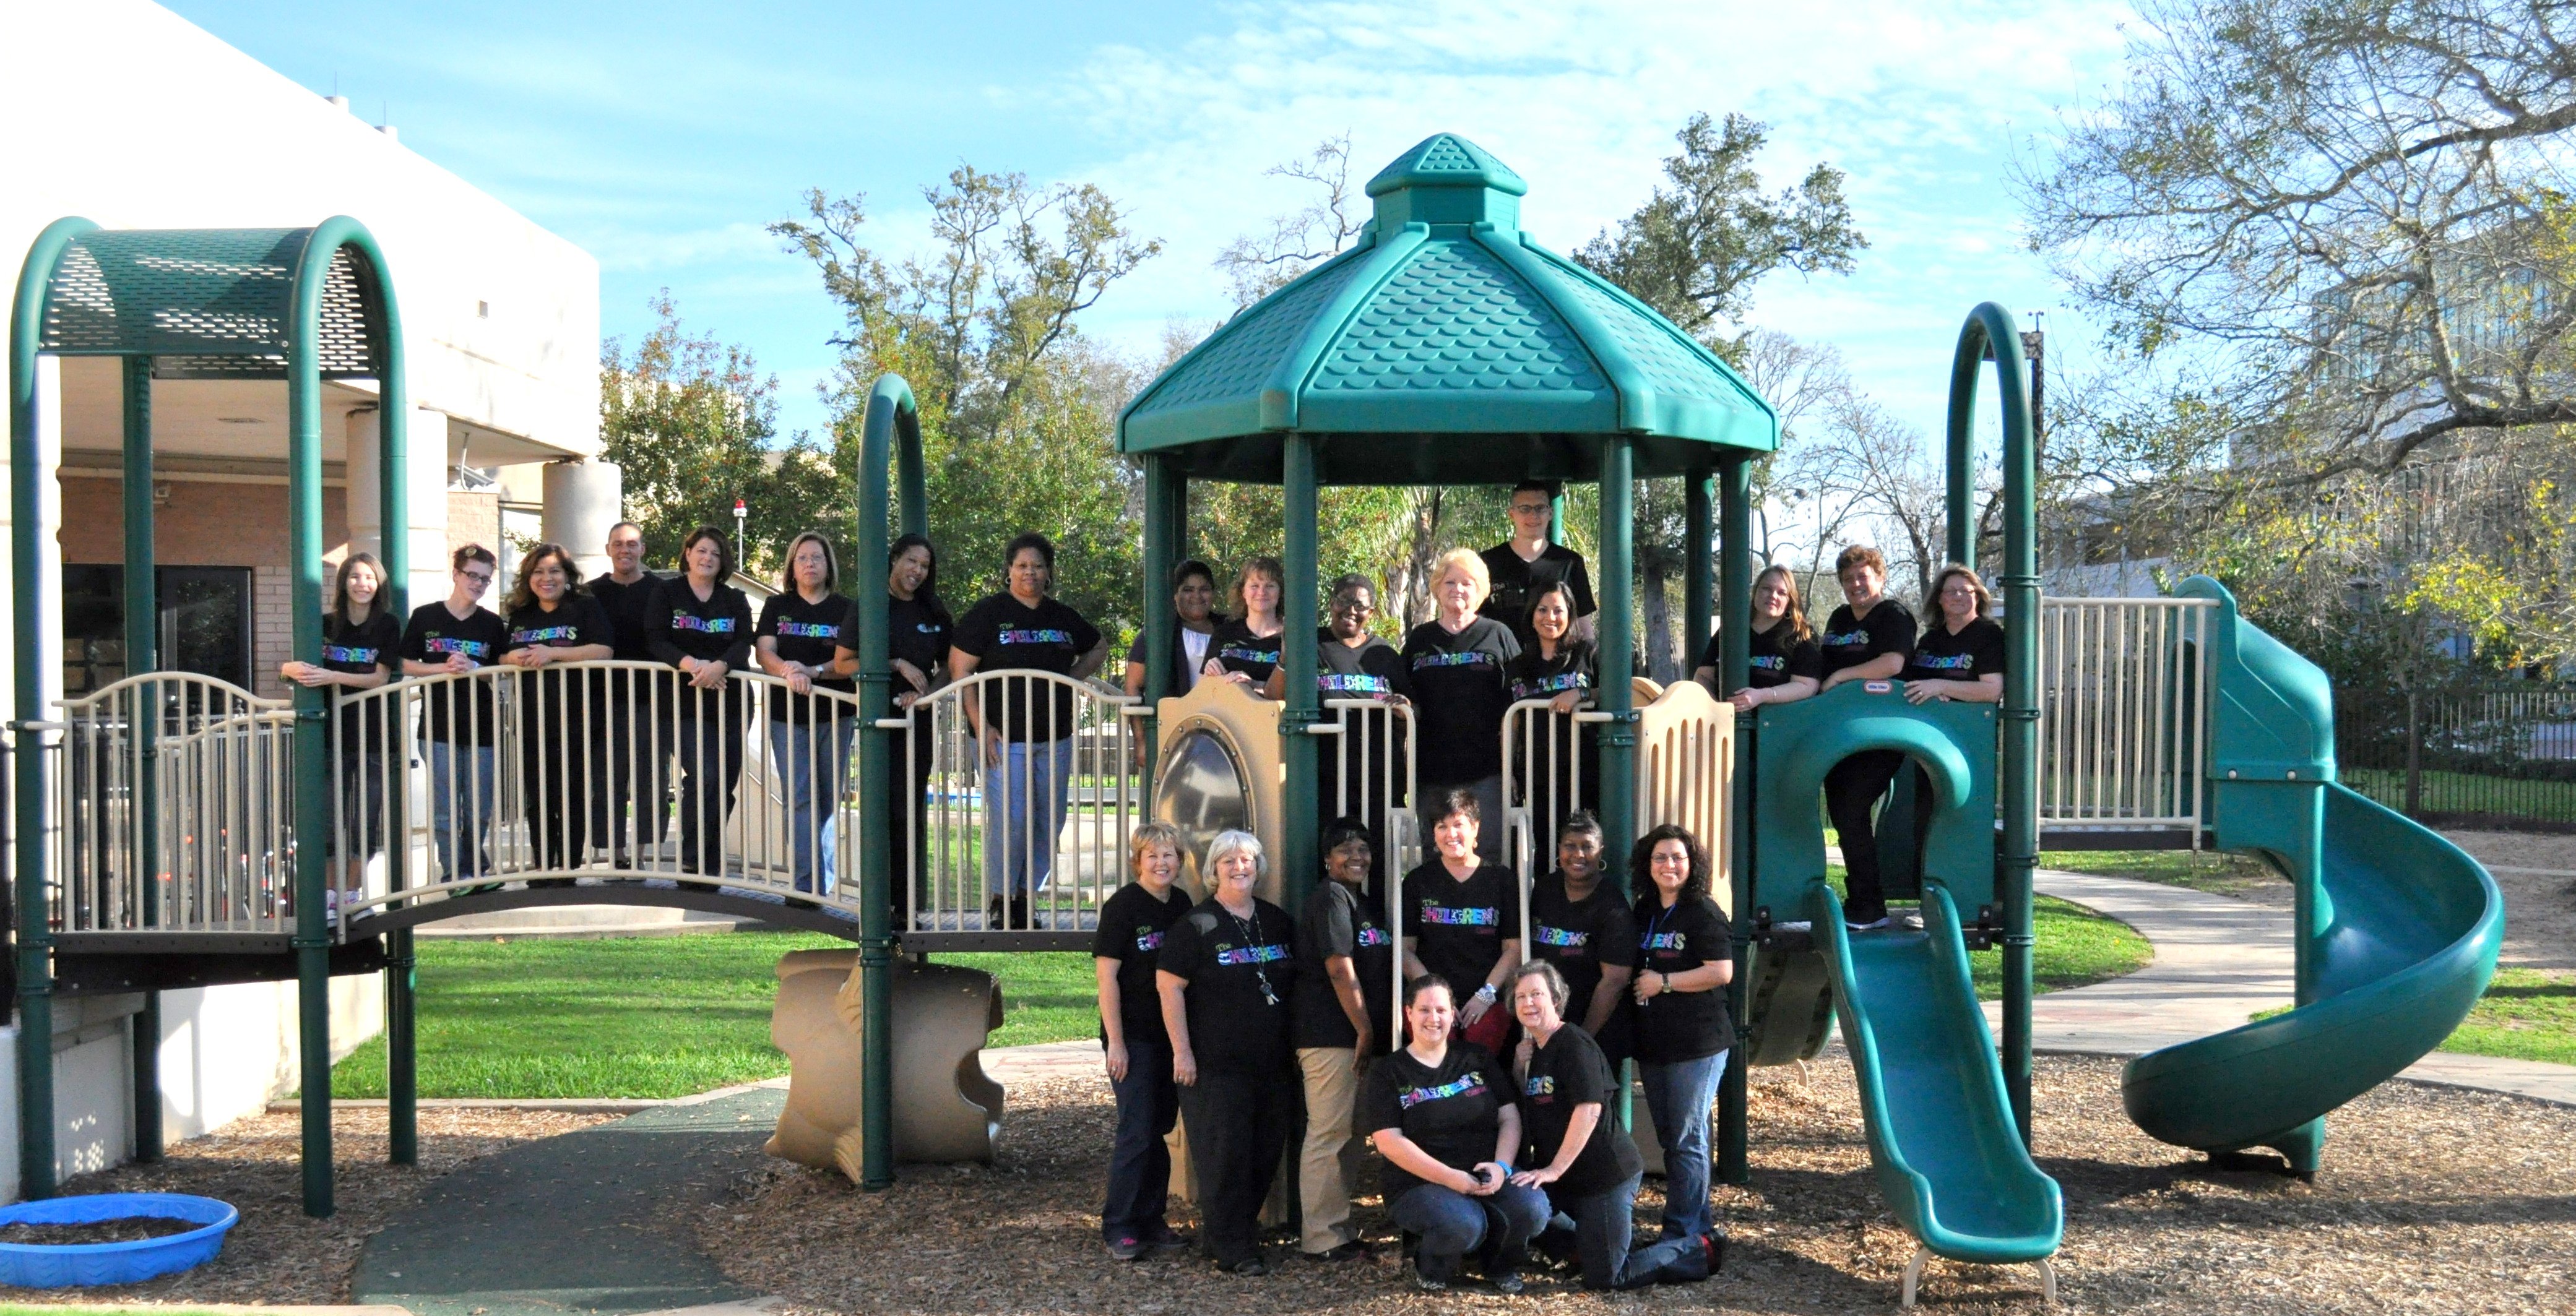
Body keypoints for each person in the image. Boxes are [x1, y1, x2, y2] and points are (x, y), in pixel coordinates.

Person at [1507, 961, 1718, 1289]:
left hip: (1604, 1176)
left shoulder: (1574, 1045)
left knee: (1607, 1278)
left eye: (1537, 994)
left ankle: (1697, 1249)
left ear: (1556, 1000)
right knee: (1520, 1202)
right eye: (1521, 997)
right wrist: (1519, 1068)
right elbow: (1537, 1100)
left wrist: (1553, 1170)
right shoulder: (1538, 1049)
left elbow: (1589, 1110)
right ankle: (1583, 1248)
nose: (1528, 1003)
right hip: (1569, 1177)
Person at [1156, 830, 1299, 1275]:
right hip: (1215, 1065)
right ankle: (1232, 1248)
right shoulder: (1196, 926)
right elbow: (1169, 988)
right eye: (1229, 861)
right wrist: (1182, 1052)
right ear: (1213, 869)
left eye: (1247, 860)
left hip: (1273, 1062)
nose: (1239, 868)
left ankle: (1231, 1234)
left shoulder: (1276, 921)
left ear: (1259, 867)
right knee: (1226, 1155)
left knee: (1265, 1151)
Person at [948, 533, 1107, 929]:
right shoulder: (987, 614)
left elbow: (1099, 646)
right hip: (1002, 737)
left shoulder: (1062, 617)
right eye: (1021, 566)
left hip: (1055, 737)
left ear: (1049, 572)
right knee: (1013, 820)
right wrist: (981, 725)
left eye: (1037, 566)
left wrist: (1071, 678)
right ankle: (1001, 900)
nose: (1029, 573)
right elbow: (961, 671)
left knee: (1049, 821)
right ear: (1009, 570)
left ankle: (1025, 898)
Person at [1359, 975, 1550, 1294]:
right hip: (1420, 1182)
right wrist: (1449, 1178)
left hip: (1486, 1171)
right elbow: (1388, 1141)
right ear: (1409, 1013)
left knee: (1533, 1208)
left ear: (1453, 1014)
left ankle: (1498, 1266)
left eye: (1441, 1010)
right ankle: (1432, 1267)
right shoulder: (1389, 1071)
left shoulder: (1477, 1057)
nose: (1433, 1018)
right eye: (1424, 1010)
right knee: (1464, 1224)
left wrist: (1502, 1167)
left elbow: (1509, 1117)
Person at [1291, 817, 1396, 1263]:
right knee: (1329, 1132)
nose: (1356, 857)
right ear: (1327, 859)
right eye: (1345, 850)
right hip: (1331, 1035)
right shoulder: (1332, 898)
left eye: (1363, 849)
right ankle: (1320, 1236)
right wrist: (1365, 1029)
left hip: (1356, 1037)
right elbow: (1339, 967)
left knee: (1350, 1134)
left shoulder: (1362, 901)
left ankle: (1338, 1227)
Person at [1627, 824, 1735, 1245]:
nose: (1669, 865)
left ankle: (1682, 1231)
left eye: (1677, 857)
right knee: (1673, 1137)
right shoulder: (1645, 910)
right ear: (1647, 865)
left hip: (1698, 1044)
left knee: (1687, 1138)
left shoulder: (1702, 911)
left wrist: (1665, 982)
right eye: (1660, 857)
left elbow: (1720, 972)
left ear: (1692, 864)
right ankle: (1698, 1227)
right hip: (1656, 1042)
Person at [1092, 822, 1194, 1262]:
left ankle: (1152, 1218)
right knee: (1135, 1131)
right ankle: (1119, 1225)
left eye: (1169, 855)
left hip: (1170, 1036)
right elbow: (1106, 978)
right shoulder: (1123, 907)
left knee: (1159, 1129)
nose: (1161, 863)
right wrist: (1116, 1042)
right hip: (1133, 1036)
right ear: (1138, 862)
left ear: (1180, 861)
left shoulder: (1182, 905)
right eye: (1152, 855)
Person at [1266, 574, 1410, 881]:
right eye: (1344, 601)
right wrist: (1286, 657)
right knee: (1322, 857)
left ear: (1372, 612)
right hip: (1323, 777)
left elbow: (1412, 710)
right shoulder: (1312, 645)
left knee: (1377, 861)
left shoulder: (1384, 654)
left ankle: (1375, 913)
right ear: (1332, 603)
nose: (1351, 610)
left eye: (1360, 605)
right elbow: (1274, 696)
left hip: (1378, 779)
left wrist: (1404, 710)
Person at [280, 551, 397, 903]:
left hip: (374, 735)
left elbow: (379, 678)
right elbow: (296, 667)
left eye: (370, 578)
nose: (362, 584)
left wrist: (332, 676)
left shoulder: (388, 625)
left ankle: (352, 892)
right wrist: (288, 669)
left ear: (379, 585)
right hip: (330, 734)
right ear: (343, 582)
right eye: (355, 577)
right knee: (329, 819)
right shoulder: (324, 624)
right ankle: (331, 894)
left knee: (366, 819)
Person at [499, 543, 615, 882]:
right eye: (538, 572)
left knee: (572, 793)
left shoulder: (585, 607)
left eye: (554, 571)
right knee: (538, 795)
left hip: (578, 718)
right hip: (532, 717)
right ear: (528, 578)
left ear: (567, 576)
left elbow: (604, 650)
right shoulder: (522, 614)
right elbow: (502, 655)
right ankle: (542, 865)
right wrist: (511, 659)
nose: (546, 578)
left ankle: (567, 866)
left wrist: (552, 653)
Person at [1816, 547, 1916, 931]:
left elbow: (1893, 663)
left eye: (1863, 576)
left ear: (1880, 578)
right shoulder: (1840, 618)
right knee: (1844, 815)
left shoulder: (1894, 615)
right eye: (1848, 579)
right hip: (1836, 733)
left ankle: (1869, 905)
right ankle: (1860, 900)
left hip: (1881, 732)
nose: (1855, 584)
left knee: (1851, 807)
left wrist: (1842, 677)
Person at [755, 531, 858, 898]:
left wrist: (814, 671)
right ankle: (804, 884)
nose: (809, 564)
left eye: (816, 558)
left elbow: (851, 661)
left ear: (828, 564)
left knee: (828, 798)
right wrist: (788, 671)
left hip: (836, 713)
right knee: (799, 796)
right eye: (802, 558)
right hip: (787, 715)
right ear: (792, 566)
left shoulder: (847, 608)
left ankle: (823, 885)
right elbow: (764, 652)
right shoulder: (776, 606)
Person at [648, 526, 754, 880]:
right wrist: (694, 666)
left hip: (730, 701)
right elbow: (656, 639)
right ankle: (692, 857)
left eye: (716, 554)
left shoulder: (734, 599)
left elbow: (744, 642)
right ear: (688, 553)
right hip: (682, 702)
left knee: (724, 782)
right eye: (702, 551)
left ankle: (711, 858)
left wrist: (719, 667)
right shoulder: (667, 593)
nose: (708, 558)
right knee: (704, 774)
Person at [1403, 549, 1519, 864]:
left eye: (1467, 583)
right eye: (1450, 582)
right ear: (1438, 588)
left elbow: (1519, 699)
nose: (1458, 589)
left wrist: (1512, 765)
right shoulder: (1421, 639)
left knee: (1488, 854)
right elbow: (1405, 695)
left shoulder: (1498, 635)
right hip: (1432, 770)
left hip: (1487, 770)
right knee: (1436, 854)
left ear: (1480, 590)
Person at [400, 545, 506, 885]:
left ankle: (474, 867)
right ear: (456, 574)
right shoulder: (426, 616)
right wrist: (441, 669)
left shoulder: (492, 624)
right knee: (446, 807)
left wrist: (475, 667)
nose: (478, 584)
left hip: (482, 725)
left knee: (479, 807)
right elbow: (404, 663)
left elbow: (503, 670)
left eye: (485, 579)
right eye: (472, 575)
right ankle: (454, 873)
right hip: (438, 725)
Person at [1401, 789, 1523, 1053]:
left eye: (1458, 824)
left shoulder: (1501, 880)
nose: (1451, 834)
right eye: (1442, 826)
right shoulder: (1417, 881)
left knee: (1478, 1057)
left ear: (1475, 828)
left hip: (1487, 998)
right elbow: (1404, 950)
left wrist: (1486, 995)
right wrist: (1435, 997)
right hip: (1431, 1000)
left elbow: (1514, 949)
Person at [1524, 812, 1635, 1073]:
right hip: (1543, 1026)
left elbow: (1615, 981)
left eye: (1587, 847)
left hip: (1595, 1032)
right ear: (1559, 849)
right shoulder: (1544, 890)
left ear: (1600, 852)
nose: (1578, 854)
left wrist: (1580, 1039)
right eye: (1570, 846)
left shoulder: (1613, 906)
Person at [878, 533, 951, 927]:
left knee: (909, 813)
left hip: (917, 725)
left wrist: (925, 697)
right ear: (894, 559)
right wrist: (896, 663)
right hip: (877, 725)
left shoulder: (933, 609)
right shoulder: (873, 605)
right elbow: (845, 660)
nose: (917, 571)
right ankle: (879, 905)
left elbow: (951, 666)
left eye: (924, 566)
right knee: (882, 812)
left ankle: (906, 907)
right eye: (911, 562)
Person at [588, 520, 671, 866]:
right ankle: (615, 855)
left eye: (632, 544)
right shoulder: (590, 593)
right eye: (618, 544)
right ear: (608, 549)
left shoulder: (662, 591)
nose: (625, 550)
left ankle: (641, 854)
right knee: (606, 778)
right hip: (602, 700)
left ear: (643, 550)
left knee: (650, 779)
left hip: (652, 699)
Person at [1506, 580, 1604, 833]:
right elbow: (1512, 722)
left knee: (1586, 841)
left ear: (1570, 615)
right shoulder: (1517, 666)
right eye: (1542, 610)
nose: (1550, 617)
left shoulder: (1588, 653)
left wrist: (1581, 693)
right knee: (1545, 843)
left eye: (1558, 610)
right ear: (1532, 614)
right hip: (1537, 774)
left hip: (1586, 771)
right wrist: (1508, 772)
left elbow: (1620, 692)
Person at [1693, 563, 1824, 715]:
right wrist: (1715, 708)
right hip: (1724, 722)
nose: (1773, 596)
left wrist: (1762, 696)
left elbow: (1807, 686)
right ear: (1755, 592)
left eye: (1782, 593)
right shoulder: (1730, 631)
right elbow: (1703, 676)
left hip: (1778, 722)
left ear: (1790, 600)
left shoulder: (1802, 635)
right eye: (1766, 588)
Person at [1479, 480, 1596, 645]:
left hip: (1556, 659)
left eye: (1540, 508)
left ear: (1551, 513)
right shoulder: (1487, 563)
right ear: (1512, 514)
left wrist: (1590, 657)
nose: (1533, 516)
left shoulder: (1569, 563)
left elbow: (1584, 627)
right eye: (1525, 509)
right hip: (1501, 658)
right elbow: (1473, 620)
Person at [1904, 564, 2005, 707]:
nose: (1958, 596)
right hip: (1923, 715)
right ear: (1939, 598)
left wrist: (1940, 687)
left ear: (1977, 597)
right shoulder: (1928, 640)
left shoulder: (1989, 634)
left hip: (1968, 719)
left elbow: (1992, 691)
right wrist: (1933, 693)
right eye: (1951, 591)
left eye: (1965, 591)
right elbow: (1913, 684)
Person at [1122, 558, 1221, 702]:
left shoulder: (1229, 627)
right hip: (1177, 715)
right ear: (1175, 595)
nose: (1197, 596)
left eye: (1204, 590)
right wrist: (1142, 718)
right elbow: (1133, 686)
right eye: (1188, 590)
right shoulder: (1159, 631)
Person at [1202, 557, 1286, 692]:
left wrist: (1253, 685)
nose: (1262, 592)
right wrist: (1209, 673)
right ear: (1243, 592)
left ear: (1280, 592)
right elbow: (1202, 692)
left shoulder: (1290, 638)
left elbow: (1299, 691)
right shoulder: (1224, 633)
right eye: (1255, 586)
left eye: (1270, 586)